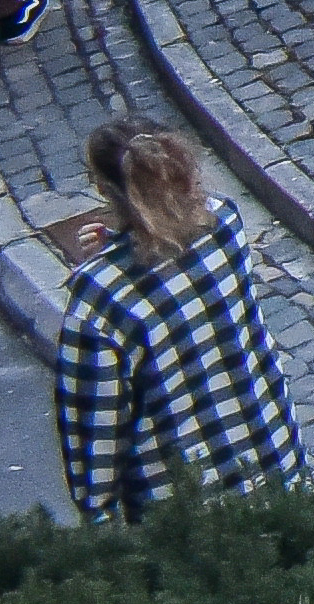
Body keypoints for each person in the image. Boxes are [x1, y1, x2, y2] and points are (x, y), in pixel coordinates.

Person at [50, 121, 298, 515]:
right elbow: (175, 269)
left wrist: (108, 260)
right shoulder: (225, 223)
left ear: (103, 189)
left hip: (187, 512)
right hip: (275, 465)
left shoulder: (99, 300)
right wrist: (116, 248)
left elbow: (94, 452)